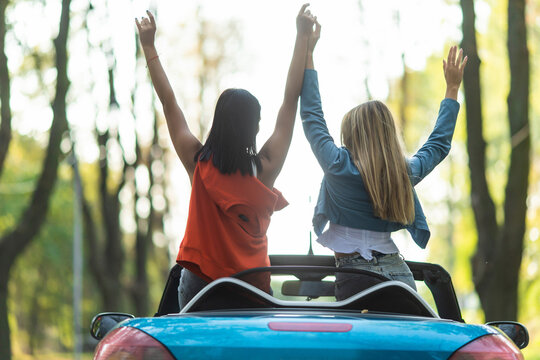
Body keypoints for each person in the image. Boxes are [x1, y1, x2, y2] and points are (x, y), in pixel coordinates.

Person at [136, 5, 316, 309]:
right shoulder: (265, 169)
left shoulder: (198, 163)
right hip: (253, 288)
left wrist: (149, 46)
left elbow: (169, 103)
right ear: (254, 127)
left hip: (199, 286)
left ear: (218, 122)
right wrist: (302, 38)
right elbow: (289, 102)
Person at [300, 23, 467, 300]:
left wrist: (308, 54)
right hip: (400, 275)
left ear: (351, 135)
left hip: (356, 278)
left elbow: (312, 116)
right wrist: (452, 88)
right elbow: (438, 145)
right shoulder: (403, 173)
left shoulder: (338, 165)